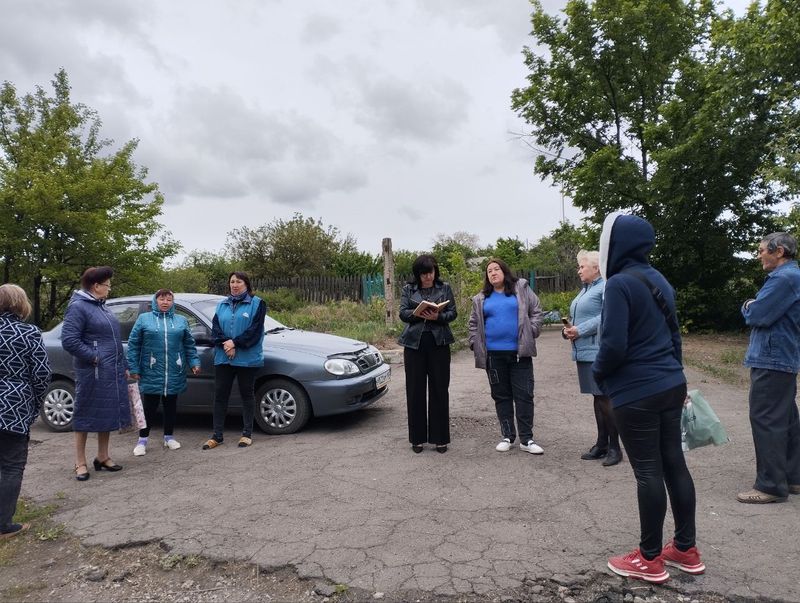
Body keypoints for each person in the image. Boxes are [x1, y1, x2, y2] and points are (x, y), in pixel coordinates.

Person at [593, 212, 703, 584]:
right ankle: (685, 549)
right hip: (671, 383)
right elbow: (675, 336)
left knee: (648, 471)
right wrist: (678, 374)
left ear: (616, 244)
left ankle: (649, 558)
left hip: (636, 390)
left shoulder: (619, 284)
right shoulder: (658, 279)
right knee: (674, 464)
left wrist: (599, 374)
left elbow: (613, 344)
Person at [737, 232, 800, 504]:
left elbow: (759, 314)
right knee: (785, 419)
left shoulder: (784, 278)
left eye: (763, 249)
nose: (759, 254)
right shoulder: (791, 276)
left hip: (772, 358)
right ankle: (793, 477)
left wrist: (748, 304)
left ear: (780, 251)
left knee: (766, 419)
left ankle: (771, 485)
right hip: (782, 357)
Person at [468, 259, 544, 454]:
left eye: (496, 269)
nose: (493, 273)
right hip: (493, 356)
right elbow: (473, 324)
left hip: (520, 355)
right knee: (501, 397)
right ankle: (508, 436)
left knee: (524, 396)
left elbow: (536, 311)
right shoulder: (481, 298)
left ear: (504, 271)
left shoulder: (521, 288)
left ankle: (527, 440)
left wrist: (531, 330)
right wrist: (474, 342)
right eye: (489, 271)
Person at [61, 266, 130, 481]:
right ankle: (79, 462)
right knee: (84, 414)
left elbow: (115, 341)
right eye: (107, 285)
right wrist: (95, 357)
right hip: (92, 372)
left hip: (111, 370)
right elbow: (69, 340)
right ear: (96, 286)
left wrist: (124, 364)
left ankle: (102, 456)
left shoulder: (103, 307)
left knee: (106, 412)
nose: (109, 289)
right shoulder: (78, 307)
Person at [0, 284, 51, 539]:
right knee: (11, 466)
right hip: (13, 406)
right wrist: (35, 404)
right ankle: (3, 525)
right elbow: (41, 374)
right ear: (21, 303)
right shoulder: (28, 333)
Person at [562, 250, 621, 466]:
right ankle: (601, 444)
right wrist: (568, 330)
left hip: (598, 351)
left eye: (582, 267)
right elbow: (580, 319)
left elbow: (607, 315)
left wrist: (580, 330)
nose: (578, 270)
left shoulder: (605, 287)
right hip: (585, 352)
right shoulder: (585, 290)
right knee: (598, 399)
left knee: (605, 398)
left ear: (596, 268)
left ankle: (615, 447)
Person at [127, 289, 201, 456]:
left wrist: (194, 363)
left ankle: (169, 437)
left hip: (175, 369)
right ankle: (142, 440)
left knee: (171, 406)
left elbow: (189, 344)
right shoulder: (144, 319)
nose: (165, 302)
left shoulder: (181, 321)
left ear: (173, 302)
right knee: (150, 407)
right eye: (162, 299)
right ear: (155, 301)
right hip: (151, 369)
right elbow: (133, 345)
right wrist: (133, 368)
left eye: (169, 299)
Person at [398, 255, 457, 453]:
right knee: (415, 390)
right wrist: (418, 313)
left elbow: (453, 313)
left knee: (440, 389)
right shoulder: (408, 289)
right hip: (414, 345)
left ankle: (440, 438)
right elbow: (402, 313)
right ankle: (417, 438)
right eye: (424, 274)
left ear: (435, 271)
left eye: (431, 272)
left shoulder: (444, 287)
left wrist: (438, 316)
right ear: (418, 274)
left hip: (439, 343)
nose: (428, 277)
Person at [203, 272, 266, 450]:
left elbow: (255, 330)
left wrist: (235, 343)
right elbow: (215, 328)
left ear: (246, 284)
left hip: (247, 358)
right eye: (232, 281)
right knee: (220, 395)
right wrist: (226, 344)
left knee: (247, 395)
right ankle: (217, 435)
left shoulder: (257, 303)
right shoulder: (222, 304)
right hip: (223, 357)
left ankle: (246, 434)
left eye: (238, 281)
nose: (235, 284)